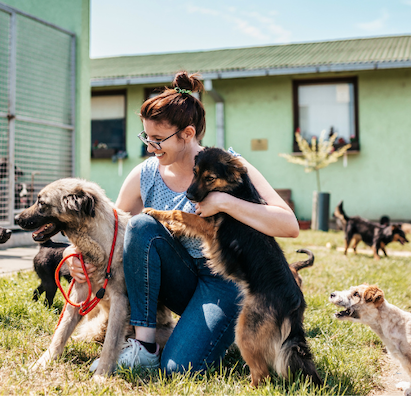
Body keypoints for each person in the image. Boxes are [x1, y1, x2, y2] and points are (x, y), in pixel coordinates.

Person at [65, 71, 299, 374]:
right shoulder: (145, 174)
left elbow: (288, 224)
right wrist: (73, 256)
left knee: (179, 368)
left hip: (224, 282)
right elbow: (108, 232)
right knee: (140, 225)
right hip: (177, 278)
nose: (150, 146)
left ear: (187, 134)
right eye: (146, 137)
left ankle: (215, 329)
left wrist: (224, 201)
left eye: (158, 139)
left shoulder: (227, 165)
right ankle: (145, 345)